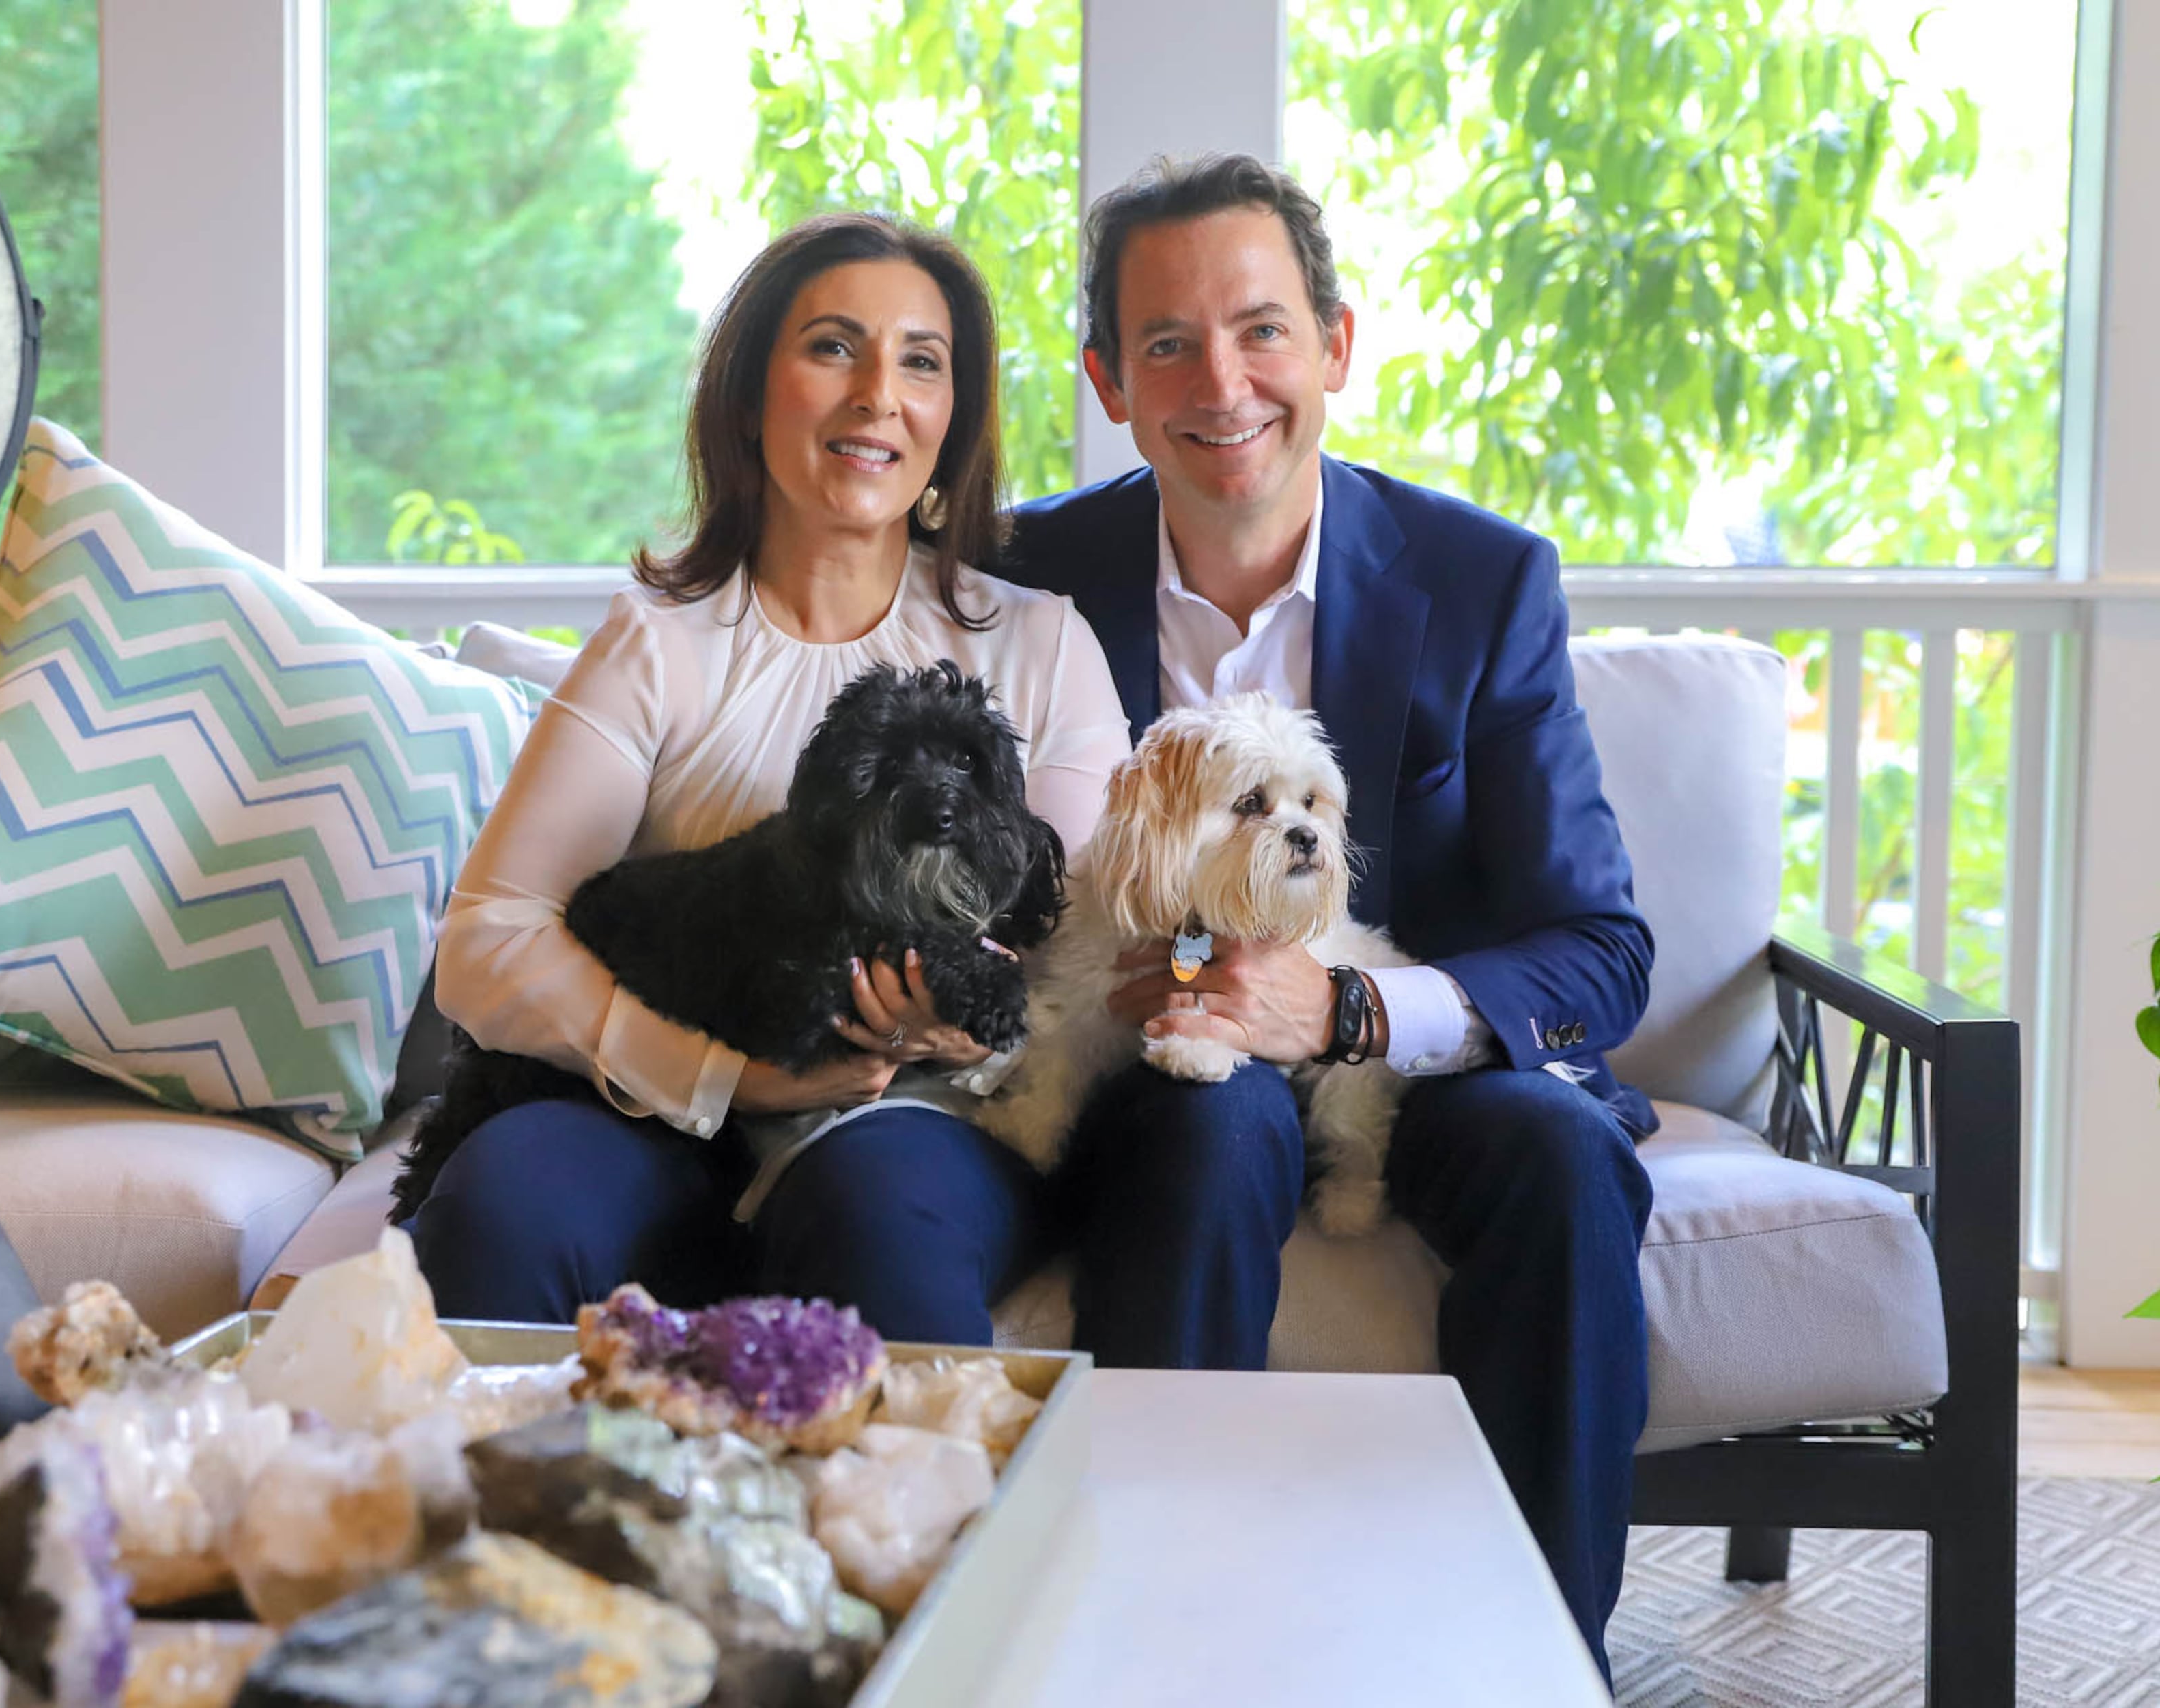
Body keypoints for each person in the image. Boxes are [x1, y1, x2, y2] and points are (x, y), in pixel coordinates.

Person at [999, 154, 1657, 1677]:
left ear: (1336, 345)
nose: (1220, 380)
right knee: (1204, 1127)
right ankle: (1168, 1651)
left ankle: (1544, 1667)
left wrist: (1348, 1012)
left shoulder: (1483, 582)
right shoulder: (1023, 579)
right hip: (1158, 1080)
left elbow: (1598, 947)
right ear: (1108, 378)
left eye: (1261, 329)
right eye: (1165, 341)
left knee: (1564, 1162)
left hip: (1428, 1075)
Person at [410, 214, 1129, 1347]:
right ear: (752, 396)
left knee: (874, 1218)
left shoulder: (1040, 649)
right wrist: (723, 1077)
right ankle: (520, 1523)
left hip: (919, 1123)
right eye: (834, 347)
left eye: (922, 362)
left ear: (953, 418)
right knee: (504, 1208)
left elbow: (1083, 940)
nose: (878, 395)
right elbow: (488, 940)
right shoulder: (660, 644)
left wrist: (961, 1026)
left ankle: (939, 1522)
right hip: (658, 1114)